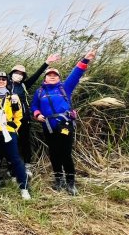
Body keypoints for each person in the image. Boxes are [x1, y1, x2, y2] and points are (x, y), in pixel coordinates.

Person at [31, 50, 96, 195]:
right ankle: (59, 181)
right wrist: (37, 114)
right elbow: (34, 106)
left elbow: (76, 74)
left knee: (66, 154)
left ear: (59, 78)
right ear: (45, 78)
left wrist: (85, 59)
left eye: (55, 75)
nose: (52, 77)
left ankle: (71, 183)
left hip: (65, 126)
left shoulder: (65, 88)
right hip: (48, 127)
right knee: (54, 154)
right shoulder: (39, 92)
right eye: (49, 75)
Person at [0, 72, 30, 200]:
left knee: (15, 158)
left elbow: (19, 115)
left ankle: (23, 186)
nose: (1, 81)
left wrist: (14, 128)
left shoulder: (13, 97)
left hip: (8, 131)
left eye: (3, 79)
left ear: (7, 81)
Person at [8, 54, 60, 176]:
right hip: (10, 120)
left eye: (21, 73)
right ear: (11, 73)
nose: (19, 75)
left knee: (25, 143)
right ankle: (12, 167)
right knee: (11, 143)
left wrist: (46, 62)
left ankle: (27, 166)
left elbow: (36, 76)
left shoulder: (24, 85)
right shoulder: (4, 85)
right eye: (16, 72)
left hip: (24, 119)